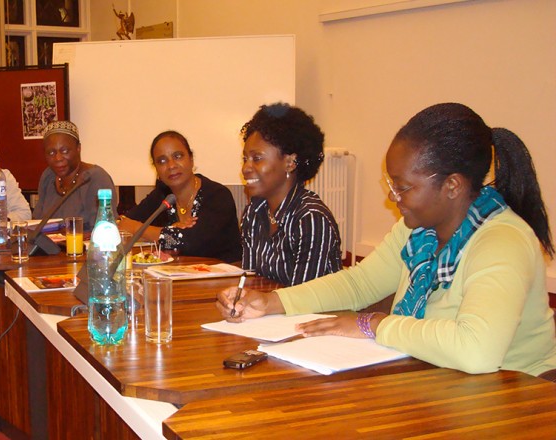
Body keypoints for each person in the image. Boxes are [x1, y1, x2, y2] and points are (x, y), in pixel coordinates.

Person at [217, 103, 556, 377]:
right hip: (435, 379)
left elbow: (476, 351)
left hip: (516, 397)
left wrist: (374, 324)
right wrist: (271, 303)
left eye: (403, 186)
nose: (393, 197)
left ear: (452, 186)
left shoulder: (502, 241)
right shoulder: (418, 228)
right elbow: (359, 283)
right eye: (391, 184)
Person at [239, 103, 342, 285]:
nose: (246, 168)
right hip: (269, 311)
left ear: (290, 162)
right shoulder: (254, 213)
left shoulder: (311, 219)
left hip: (316, 312)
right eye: (245, 159)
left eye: (257, 158)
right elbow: (249, 281)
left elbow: (305, 299)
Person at [118, 131, 242, 263]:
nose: (171, 165)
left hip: (223, 279)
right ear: (156, 169)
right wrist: (170, 231)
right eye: (162, 161)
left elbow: (187, 243)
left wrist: (139, 230)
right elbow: (121, 225)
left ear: (191, 159)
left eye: (178, 156)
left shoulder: (217, 196)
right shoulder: (162, 195)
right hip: (179, 277)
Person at [33, 120, 117, 230]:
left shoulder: (95, 178)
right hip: (49, 247)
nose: (58, 158)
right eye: (51, 153)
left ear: (78, 148)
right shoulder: (48, 177)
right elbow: (37, 223)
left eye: (65, 151)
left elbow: (103, 230)